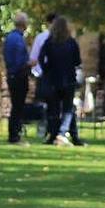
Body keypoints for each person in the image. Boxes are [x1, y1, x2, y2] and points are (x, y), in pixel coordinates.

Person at [39, 16, 82, 146]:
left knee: (54, 109)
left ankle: (53, 134)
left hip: (53, 79)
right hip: (68, 79)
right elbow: (77, 61)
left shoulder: (49, 42)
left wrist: (47, 70)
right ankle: (62, 133)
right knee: (68, 108)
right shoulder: (71, 42)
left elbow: (42, 59)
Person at [2, 12, 32, 145]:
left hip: (11, 75)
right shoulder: (18, 39)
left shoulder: (10, 37)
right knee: (18, 107)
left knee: (16, 105)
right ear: (24, 24)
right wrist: (30, 63)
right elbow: (20, 61)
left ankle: (14, 134)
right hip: (19, 76)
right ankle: (14, 136)